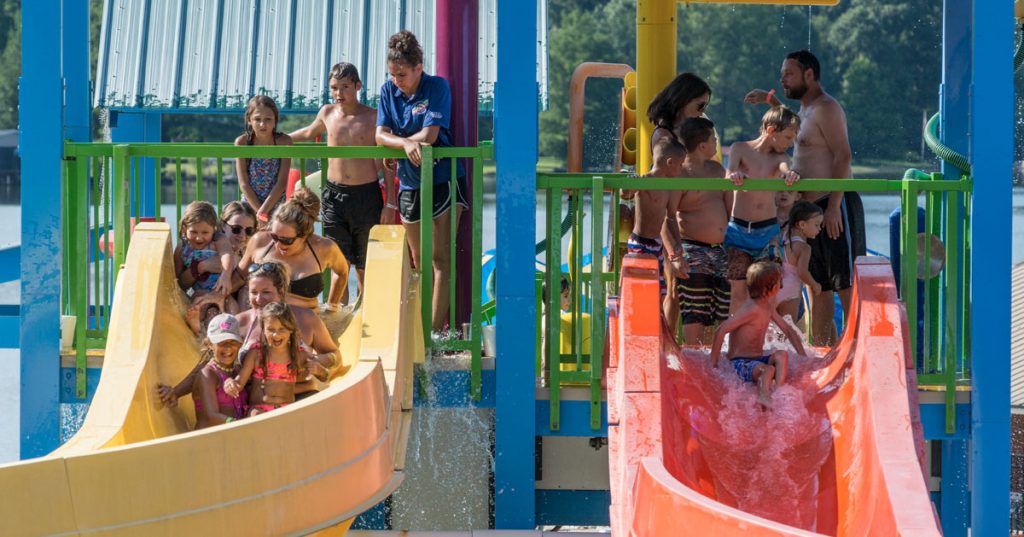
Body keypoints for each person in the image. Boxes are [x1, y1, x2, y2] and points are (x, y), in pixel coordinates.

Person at [744, 49, 856, 346]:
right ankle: (822, 354)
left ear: (809, 75)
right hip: (805, 211)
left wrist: (833, 206)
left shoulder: (827, 108)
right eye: (782, 75)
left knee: (842, 283)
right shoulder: (803, 111)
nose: (782, 80)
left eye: (788, 74)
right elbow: (798, 131)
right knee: (816, 288)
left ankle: (859, 348)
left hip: (829, 205)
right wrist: (770, 101)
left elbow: (843, 156)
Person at [375, 30, 467, 332]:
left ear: (418, 68)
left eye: (402, 74)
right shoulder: (388, 91)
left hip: (443, 177)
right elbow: (380, 136)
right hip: (411, 182)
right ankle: (416, 330)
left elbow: (430, 136)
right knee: (418, 260)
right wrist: (403, 146)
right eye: (392, 74)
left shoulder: (437, 86)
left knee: (441, 257)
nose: (396, 80)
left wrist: (398, 143)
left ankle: (430, 332)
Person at [289, 63, 397, 307]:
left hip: (366, 195)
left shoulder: (373, 117)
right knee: (337, 263)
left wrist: (390, 201)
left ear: (358, 86)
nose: (339, 93)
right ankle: (336, 314)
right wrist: (276, 139)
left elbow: (388, 162)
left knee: (364, 263)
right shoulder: (327, 112)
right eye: (334, 88)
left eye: (345, 87)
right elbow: (307, 133)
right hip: (334, 196)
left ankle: (365, 313)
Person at [164, 261, 339, 407]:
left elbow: (334, 355)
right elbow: (208, 363)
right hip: (255, 405)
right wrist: (176, 392)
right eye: (253, 292)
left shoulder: (305, 319)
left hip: (299, 398)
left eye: (266, 293)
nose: (258, 299)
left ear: (282, 292)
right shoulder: (238, 323)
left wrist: (317, 362)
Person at [724, 106, 801, 312]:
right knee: (738, 291)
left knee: (767, 291)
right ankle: (736, 339)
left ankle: (765, 338)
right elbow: (729, 172)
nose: (790, 143)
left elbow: (786, 170)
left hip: (767, 232)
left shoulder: (780, 158)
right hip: (738, 229)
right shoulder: (740, 148)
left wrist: (790, 175)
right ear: (770, 130)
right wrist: (734, 176)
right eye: (787, 137)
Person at [665, 118, 731, 345]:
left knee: (720, 315)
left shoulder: (718, 170)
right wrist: (675, 255)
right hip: (692, 248)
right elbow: (668, 216)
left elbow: (729, 209)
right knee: (694, 314)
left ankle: (712, 368)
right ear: (703, 146)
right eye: (714, 140)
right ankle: (692, 358)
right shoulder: (681, 174)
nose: (716, 144)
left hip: (719, 249)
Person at [710, 261, 806, 408]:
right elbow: (720, 330)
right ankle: (764, 396)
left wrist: (803, 358)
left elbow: (788, 330)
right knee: (768, 370)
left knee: (781, 355)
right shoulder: (751, 309)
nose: (781, 285)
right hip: (740, 362)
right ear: (770, 287)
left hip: (756, 360)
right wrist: (714, 365)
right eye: (779, 281)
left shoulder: (767, 307)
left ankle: (779, 391)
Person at [238, 189, 350, 311]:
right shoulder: (260, 240)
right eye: (274, 236)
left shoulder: (325, 248)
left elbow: (342, 272)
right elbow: (239, 277)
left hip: (305, 323)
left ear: (305, 235)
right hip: (264, 321)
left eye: (286, 240)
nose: (278, 245)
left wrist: (332, 307)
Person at [626, 136, 689, 309]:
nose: (682, 168)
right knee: (640, 285)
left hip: (657, 244)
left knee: (659, 290)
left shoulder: (668, 188)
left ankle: (654, 322)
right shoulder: (646, 181)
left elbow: (670, 217)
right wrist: (629, 184)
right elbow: (626, 192)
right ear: (670, 162)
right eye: (681, 163)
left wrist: (678, 245)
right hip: (640, 242)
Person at [225, 302, 308, 416]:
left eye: (282, 329)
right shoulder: (256, 354)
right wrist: (230, 383)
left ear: (291, 329)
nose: (276, 335)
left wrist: (320, 369)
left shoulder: (297, 355)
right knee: (255, 416)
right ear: (263, 330)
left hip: (287, 409)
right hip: (259, 409)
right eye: (271, 329)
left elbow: (321, 372)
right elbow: (239, 382)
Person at [173, 201, 238, 316]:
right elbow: (178, 282)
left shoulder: (217, 240)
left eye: (205, 232)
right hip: (199, 292)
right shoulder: (181, 248)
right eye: (193, 232)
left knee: (232, 308)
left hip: (221, 290)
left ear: (214, 229)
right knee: (199, 305)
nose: (199, 238)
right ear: (184, 228)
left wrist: (226, 275)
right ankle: (200, 331)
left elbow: (227, 254)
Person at [235, 96, 293, 223]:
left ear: (275, 120)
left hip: (276, 202)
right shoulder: (242, 142)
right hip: (249, 203)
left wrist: (264, 211)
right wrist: (259, 212)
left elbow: (282, 182)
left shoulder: (284, 142)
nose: (263, 124)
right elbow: (243, 183)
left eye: (268, 119)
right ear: (249, 120)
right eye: (257, 119)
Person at [191, 313, 247, 429]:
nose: (228, 347)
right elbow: (212, 417)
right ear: (210, 344)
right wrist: (243, 425)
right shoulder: (207, 374)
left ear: (240, 343)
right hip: (209, 441)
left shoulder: (238, 372)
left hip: (233, 438)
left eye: (233, 342)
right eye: (222, 342)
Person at [777, 201, 823, 322]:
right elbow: (802, 272)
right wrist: (814, 284)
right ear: (802, 224)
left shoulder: (784, 236)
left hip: (775, 286)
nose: (819, 229)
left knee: (773, 329)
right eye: (816, 225)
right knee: (788, 329)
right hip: (791, 290)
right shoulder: (804, 248)